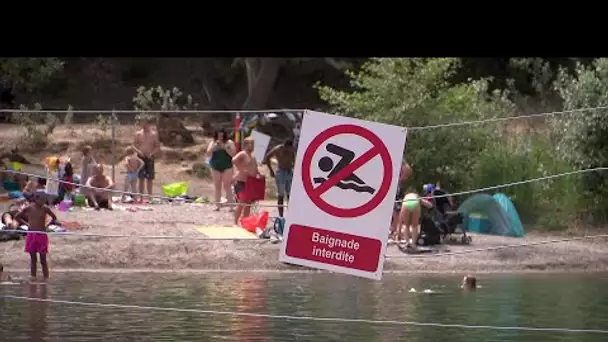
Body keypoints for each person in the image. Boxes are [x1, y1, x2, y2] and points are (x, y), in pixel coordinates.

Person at [14, 192, 59, 282]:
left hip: (41, 234)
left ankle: (46, 278)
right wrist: (27, 224)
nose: (43, 202)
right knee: (33, 258)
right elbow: (17, 217)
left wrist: (47, 225)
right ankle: (33, 276)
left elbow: (54, 218)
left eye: (44, 200)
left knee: (43, 258)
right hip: (31, 234)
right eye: (41, 200)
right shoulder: (29, 208)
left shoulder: (45, 209)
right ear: (36, 199)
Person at [232, 137, 262, 226]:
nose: (252, 146)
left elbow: (255, 168)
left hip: (250, 182)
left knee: (248, 203)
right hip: (241, 181)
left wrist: (259, 174)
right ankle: (235, 222)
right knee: (242, 202)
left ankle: (244, 222)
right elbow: (233, 160)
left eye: (253, 143)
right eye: (250, 143)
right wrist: (241, 170)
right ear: (245, 144)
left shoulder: (253, 157)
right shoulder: (242, 154)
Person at [263, 140, 295, 217]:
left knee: (290, 194)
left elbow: (293, 157)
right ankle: (281, 216)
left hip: (289, 172)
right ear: (286, 146)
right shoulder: (278, 149)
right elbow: (267, 157)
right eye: (289, 148)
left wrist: (292, 164)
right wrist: (271, 170)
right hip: (281, 173)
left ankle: (290, 214)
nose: (290, 150)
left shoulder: (291, 150)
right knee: (281, 194)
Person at [206, 129, 236, 211]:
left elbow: (233, 154)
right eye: (219, 136)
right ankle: (217, 205)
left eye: (222, 136)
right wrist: (214, 148)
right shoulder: (213, 142)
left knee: (227, 186)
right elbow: (208, 154)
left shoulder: (229, 142)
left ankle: (231, 206)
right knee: (217, 186)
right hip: (215, 166)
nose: (220, 137)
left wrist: (225, 147)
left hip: (227, 166)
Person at [133, 117, 161, 203]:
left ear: (149, 124)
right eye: (142, 123)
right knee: (141, 178)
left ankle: (150, 197)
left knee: (150, 178)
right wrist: (139, 152)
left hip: (149, 158)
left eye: (145, 123)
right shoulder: (138, 134)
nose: (144, 125)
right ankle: (141, 197)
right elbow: (133, 145)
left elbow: (157, 147)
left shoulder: (153, 134)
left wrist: (152, 154)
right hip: (140, 157)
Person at [390, 162, 412, 243]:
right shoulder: (394, 181)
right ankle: (395, 233)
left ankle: (395, 232)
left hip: (396, 200)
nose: (405, 178)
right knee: (397, 216)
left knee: (398, 216)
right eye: (405, 175)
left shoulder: (399, 183)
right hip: (393, 200)